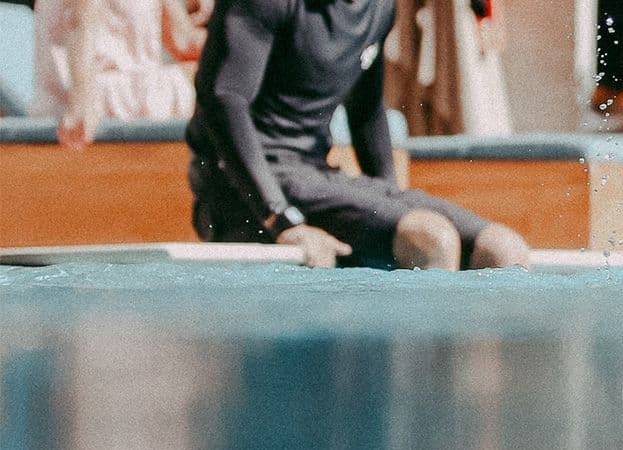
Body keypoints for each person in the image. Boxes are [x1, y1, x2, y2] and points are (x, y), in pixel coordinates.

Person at [184, 0, 530, 269]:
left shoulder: (378, 8)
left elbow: (366, 110)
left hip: (317, 177)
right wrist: (280, 219)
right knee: (428, 238)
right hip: (242, 192)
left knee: (503, 248)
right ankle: (402, 361)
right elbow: (223, 100)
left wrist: (388, 199)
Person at [32, 0, 207, 149]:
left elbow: (185, 43)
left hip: (120, 92)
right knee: (209, 83)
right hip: (86, 99)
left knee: (212, 76)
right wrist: (81, 100)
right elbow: (80, 19)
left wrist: (224, 18)